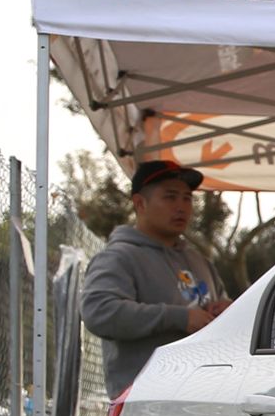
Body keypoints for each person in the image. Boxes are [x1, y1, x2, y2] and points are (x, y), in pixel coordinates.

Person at [82, 160, 229, 395]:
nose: (181, 207)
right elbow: (99, 312)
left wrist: (227, 311)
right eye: (170, 197)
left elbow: (224, 306)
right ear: (140, 203)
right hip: (145, 406)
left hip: (205, 397)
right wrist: (180, 318)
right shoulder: (119, 257)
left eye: (187, 198)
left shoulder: (201, 262)